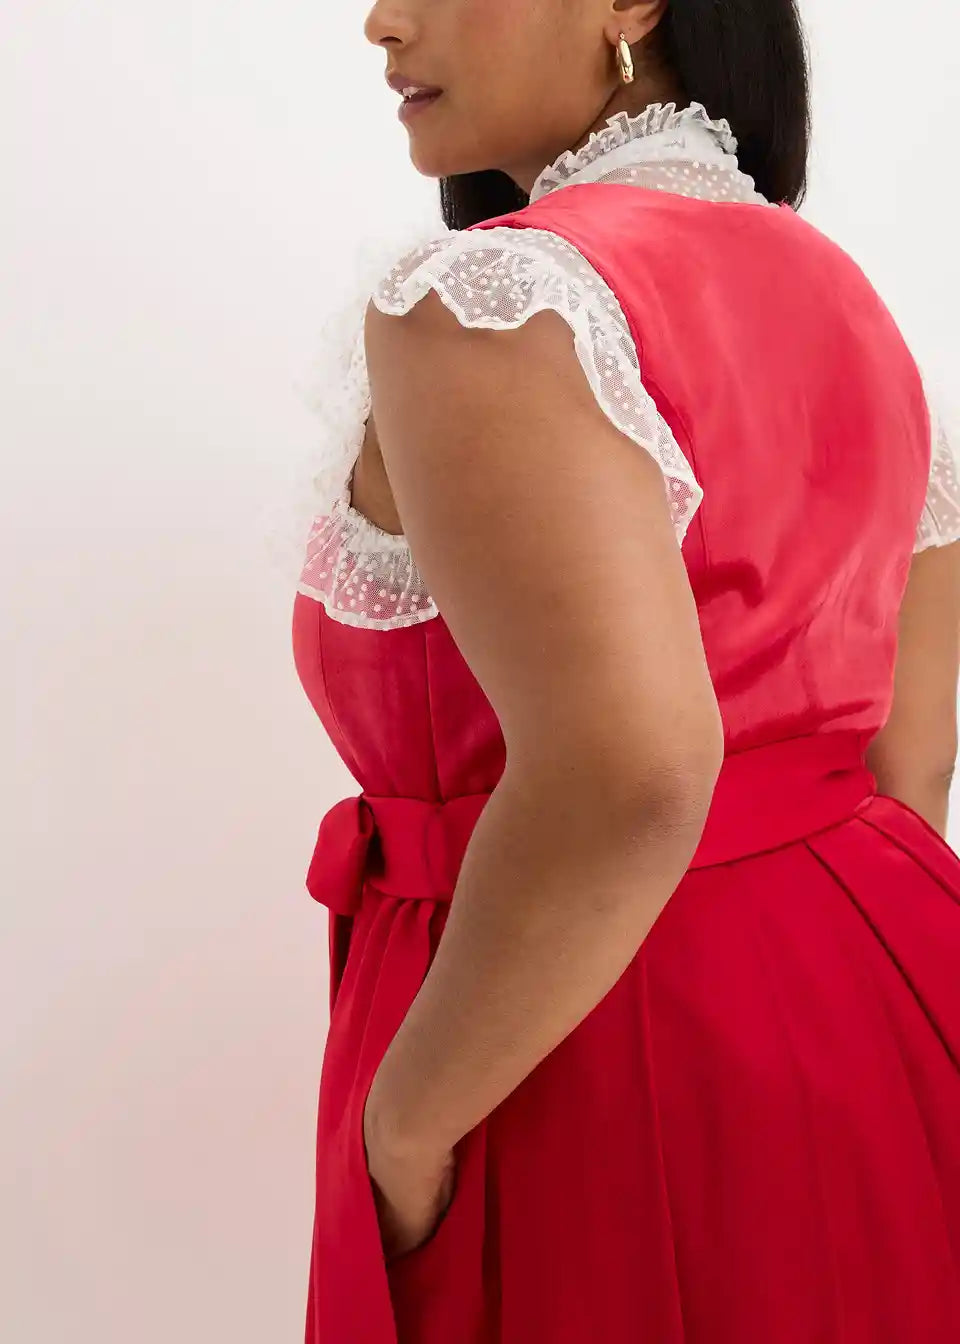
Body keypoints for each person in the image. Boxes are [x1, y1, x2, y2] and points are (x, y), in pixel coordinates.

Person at [292, 2, 960, 1340]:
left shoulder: (487, 300)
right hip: (878, 996)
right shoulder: (839, 291)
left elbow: (633, 774)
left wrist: (404, 1128)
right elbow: (910, 757)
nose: (382, 20)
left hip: (570, 1040)